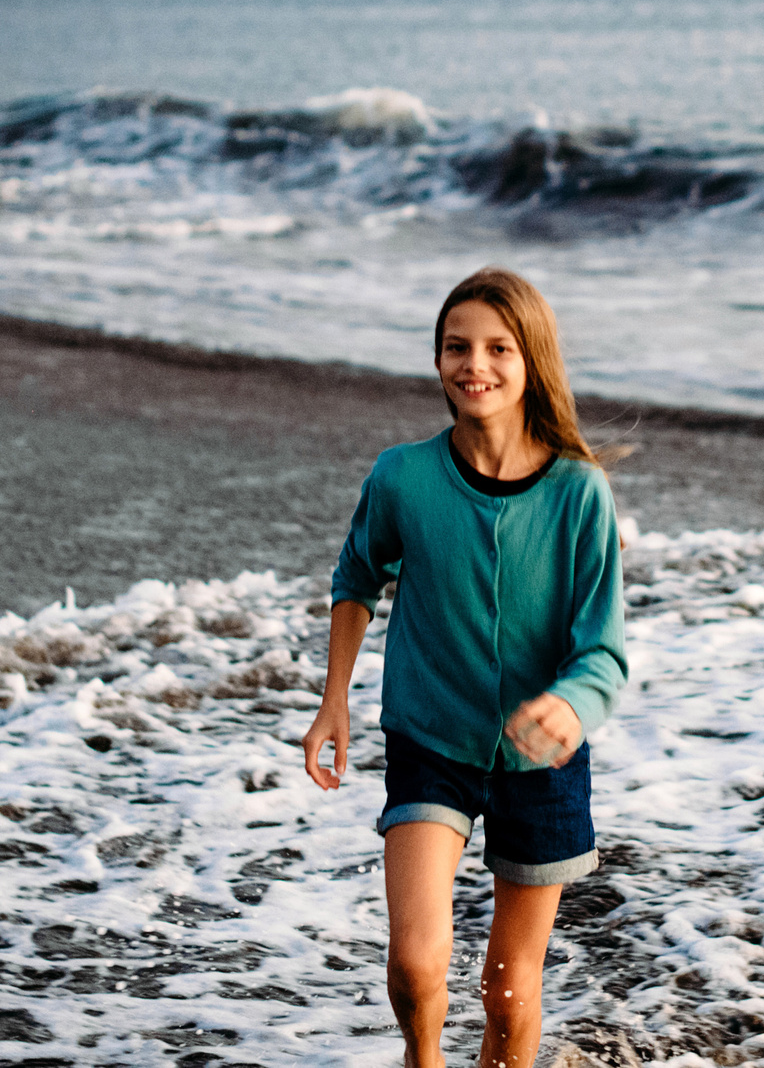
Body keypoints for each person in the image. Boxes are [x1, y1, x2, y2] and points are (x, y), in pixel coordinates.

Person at [303, 267, 628, 1068]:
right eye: (456, 346)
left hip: (541, 762)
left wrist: (571, 705)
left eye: (497, 347)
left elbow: (606, 650)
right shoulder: (404, 477)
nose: (473, 363)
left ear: (532, 361)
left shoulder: (579, 494)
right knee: (418, 965)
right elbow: (356, 577)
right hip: (430, 741)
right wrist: (334, 698)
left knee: (508, 989)